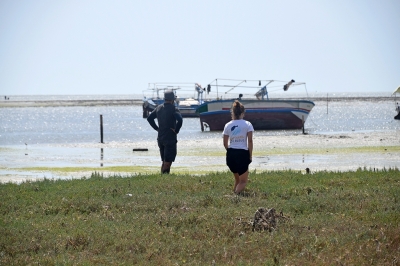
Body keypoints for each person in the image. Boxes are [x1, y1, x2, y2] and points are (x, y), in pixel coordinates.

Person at [147, 90, 183, 174]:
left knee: (164, 160)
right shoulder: (174, 109)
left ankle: (163, 177)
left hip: (160, 137)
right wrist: (176, 130)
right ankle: (165, 176)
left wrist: (157, 128)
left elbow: (149, 118)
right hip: (170, 138)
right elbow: (180, 120)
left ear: (165, 99)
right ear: (172, 100)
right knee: (168, 161)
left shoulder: (158, 108)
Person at [223, 100, 254, 194]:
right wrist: (250, 155)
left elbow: (225, 143)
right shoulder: (248, 124)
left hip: (231, 154)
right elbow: (250, 141)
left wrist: (230, 152)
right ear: (243, 113)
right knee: (243, 181)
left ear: (233, 113)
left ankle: (235, 192)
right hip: (242, 154)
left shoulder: (228, 125)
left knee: (237, 179)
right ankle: (235, 197)